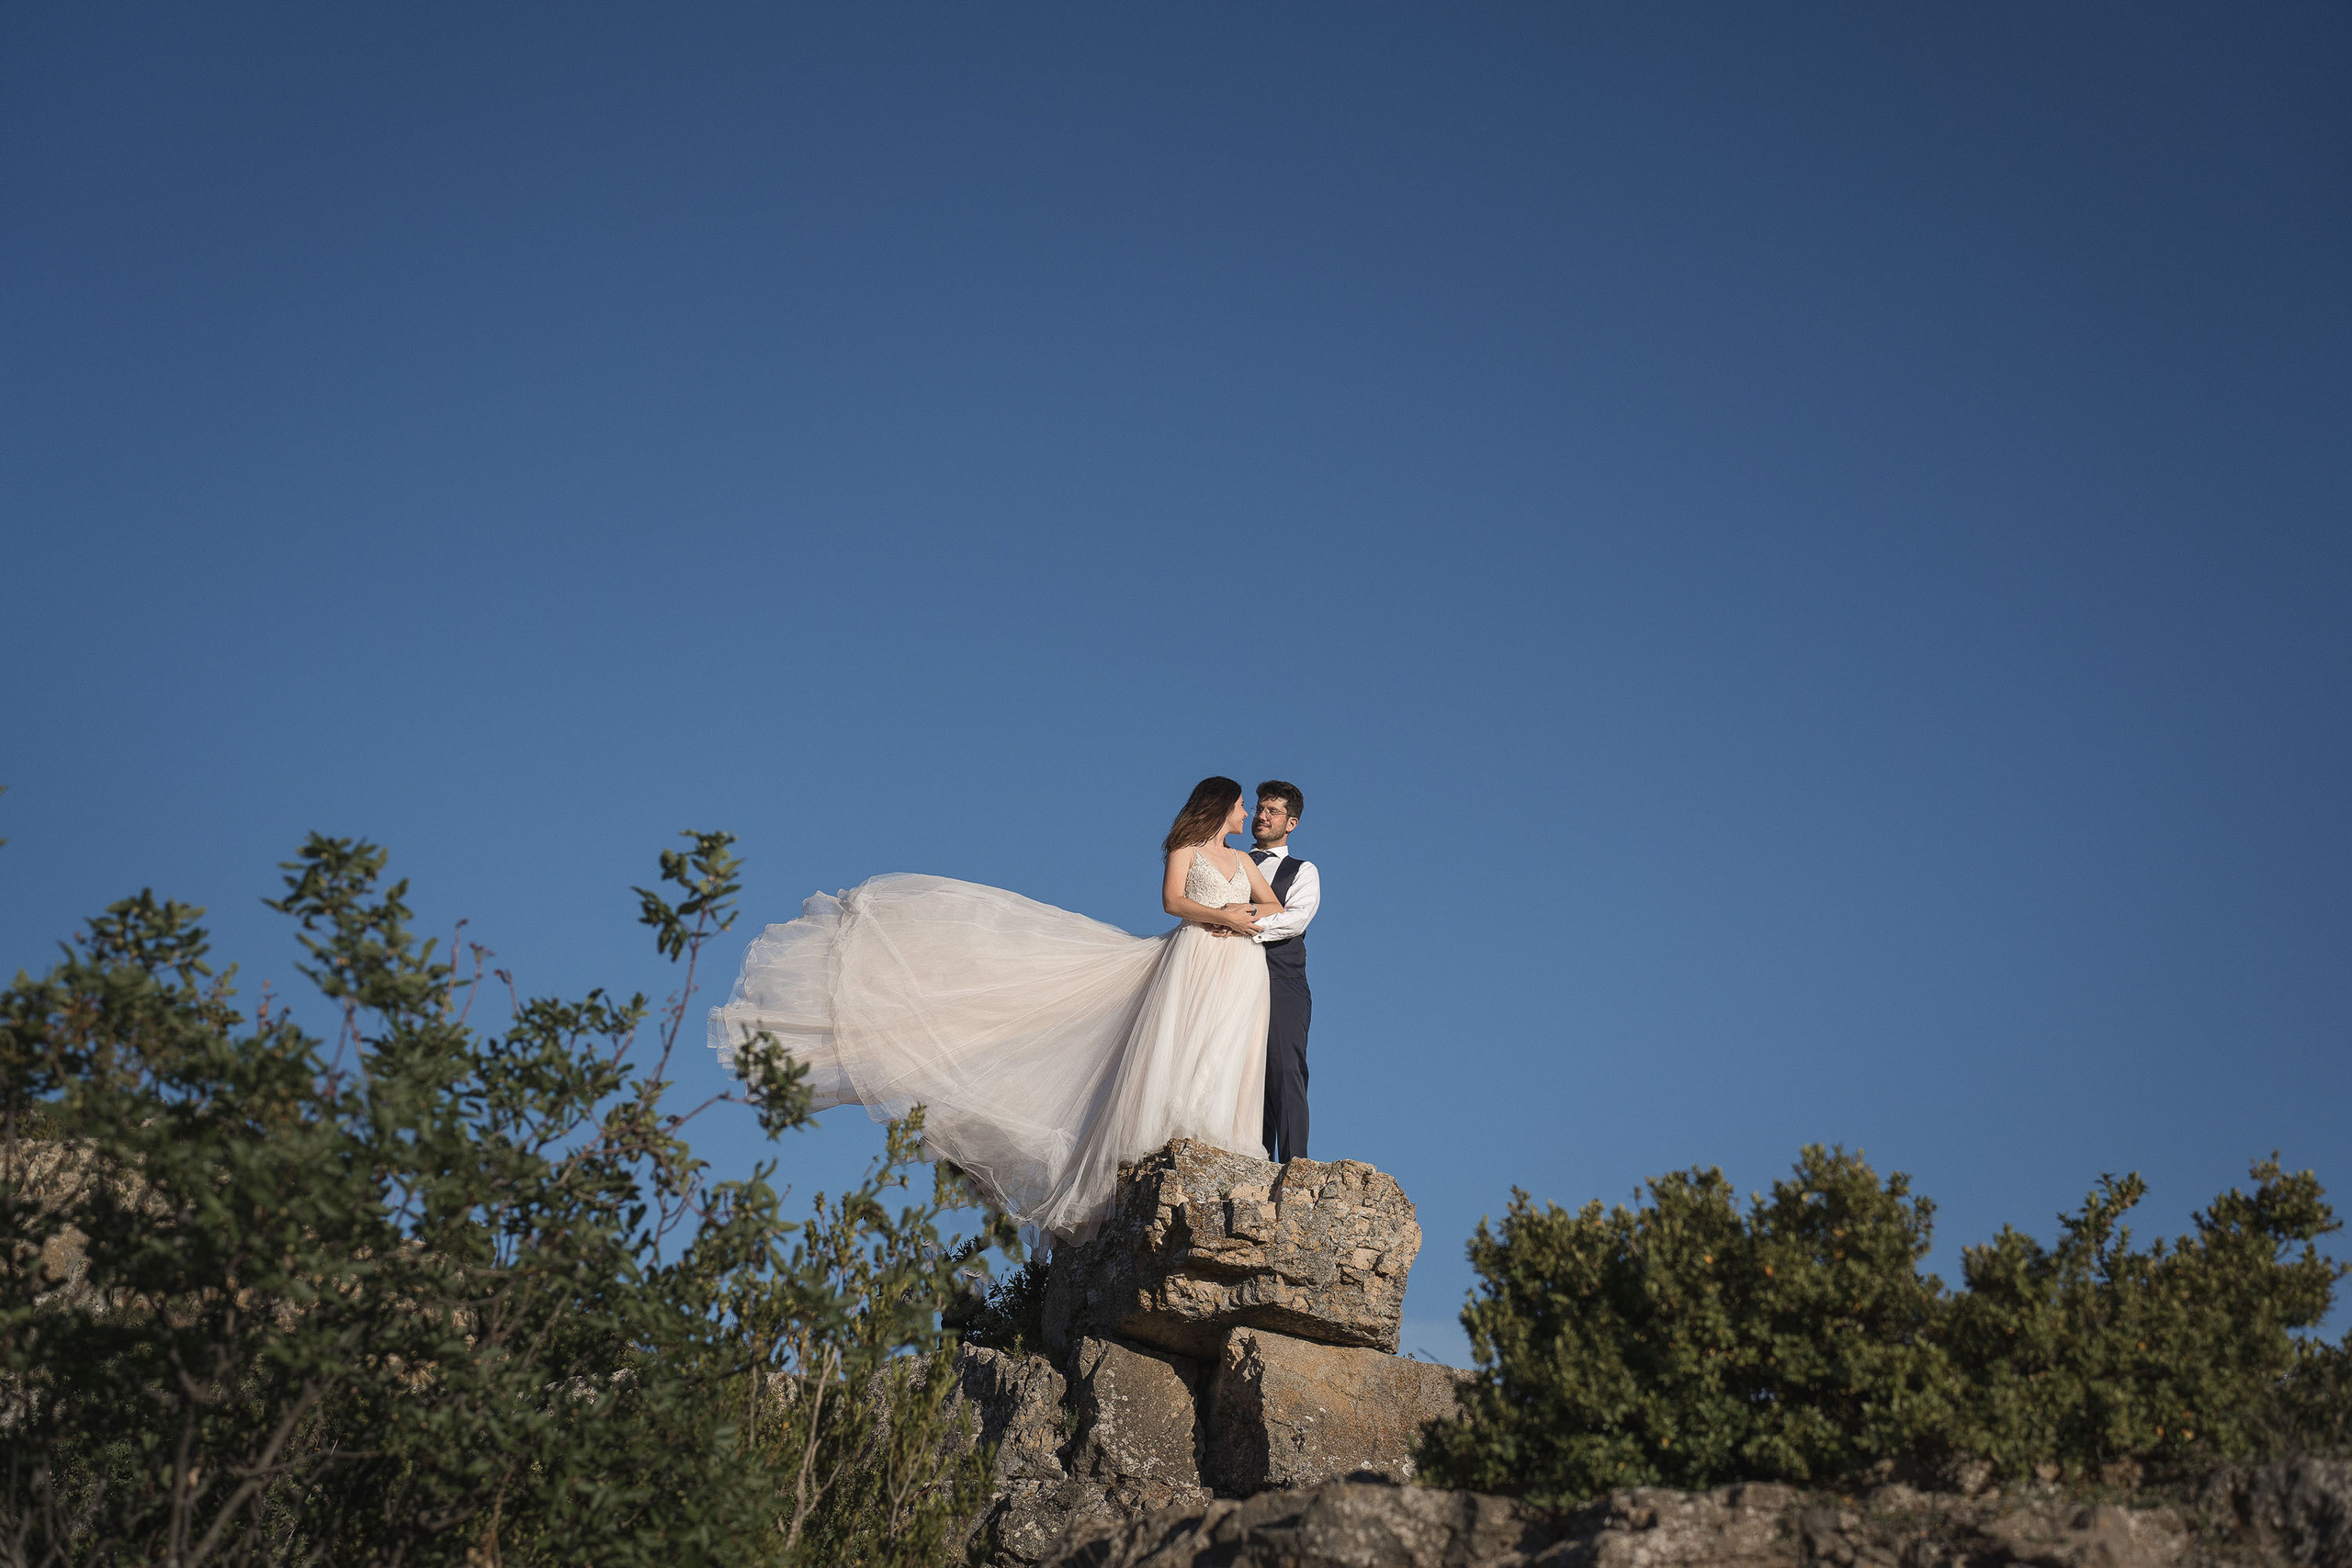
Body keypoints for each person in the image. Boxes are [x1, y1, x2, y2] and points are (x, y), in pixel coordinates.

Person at [706, 776, 1286, 1242]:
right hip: (1195, 953)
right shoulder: (1187, 849)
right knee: (1184, 1037)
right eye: (1241, 805)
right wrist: (1221, 916)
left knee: (1226, 1043)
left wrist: (1245, 919)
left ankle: (1218, 1134)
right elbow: (1171, 901)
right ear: (1220, 806)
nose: (1246, 813)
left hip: (1238, 963)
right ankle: (1173, 1131)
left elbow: (1275, 906)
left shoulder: (1244, 862)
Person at [1244, 781, 1318, 1162]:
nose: (1262, 816)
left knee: (1284, 1069)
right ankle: (1251, 1160)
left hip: (1281, 980)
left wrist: (1246, 927)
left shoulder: (1303, 871)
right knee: (1241, 1073)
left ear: (1291, 823)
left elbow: (1296, 919)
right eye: (1260, 808)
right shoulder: (1232, 863)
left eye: (1272, 811)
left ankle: (1294, 1167)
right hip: (1230, 979)